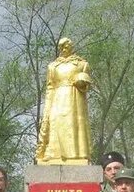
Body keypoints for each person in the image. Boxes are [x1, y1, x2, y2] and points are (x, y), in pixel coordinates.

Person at [35, 37, 92, 165]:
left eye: (66, 46)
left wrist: (82, 81)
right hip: (57, 98)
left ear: (71, 46)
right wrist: (47, 107)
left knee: (73, 124)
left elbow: (87, 84)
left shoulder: (82, 64)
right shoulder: (53, 66)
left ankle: (76, 155)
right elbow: (50, 87)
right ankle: (54, 154)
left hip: (74, 99)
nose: (63, 49)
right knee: (56, 123)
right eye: (61, 47)